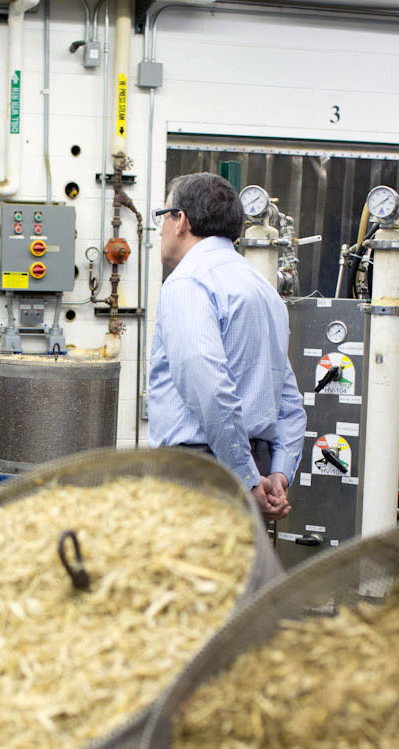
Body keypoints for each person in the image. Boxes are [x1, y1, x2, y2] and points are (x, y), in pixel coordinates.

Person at [146, 171, 305, 520]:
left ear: (180, 220)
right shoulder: (264, 290)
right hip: (254, 466)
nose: (159, 230)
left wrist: (245, 479)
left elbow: (210, 386)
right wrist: (278, 474)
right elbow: (290, 402)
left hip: (200, 474)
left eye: (163, 215)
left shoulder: (188, 283)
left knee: (189, 574)